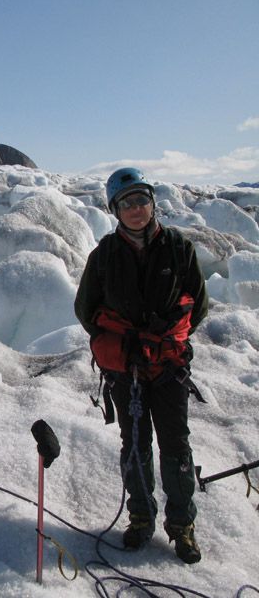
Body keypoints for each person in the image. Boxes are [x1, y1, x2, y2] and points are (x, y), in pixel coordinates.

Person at [74, 167, 209, 564]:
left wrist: (167, 342)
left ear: (153, 203)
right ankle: (140, 518)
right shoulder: (104, 256)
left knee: (175, 444)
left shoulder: (177, 248)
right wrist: (123, 346)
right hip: (126, 370)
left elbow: (197, 304)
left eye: (142, 200)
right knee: (135, 445)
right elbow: (87, 309)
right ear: (115, 209)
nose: (136, 208)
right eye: (127, 202)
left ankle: (182, 526)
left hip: (168, 367)